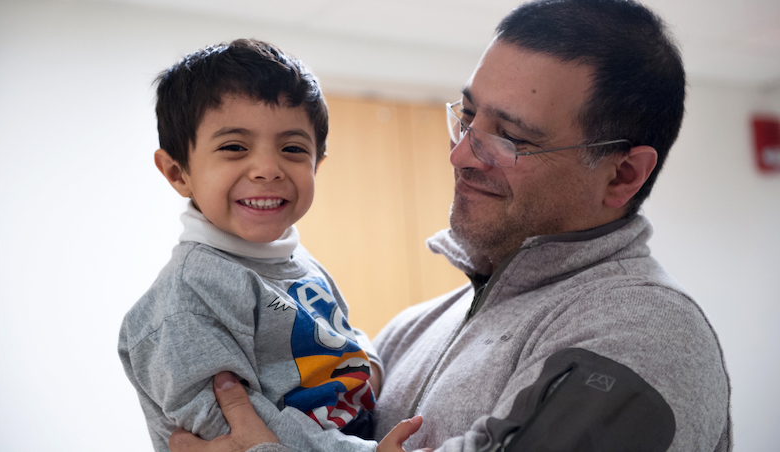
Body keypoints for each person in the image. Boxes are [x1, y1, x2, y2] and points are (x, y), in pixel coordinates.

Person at [169, 0, 732, 451]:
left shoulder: (640, 334)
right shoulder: (409, 331)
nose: (461, 154)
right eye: (466, 116)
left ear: (622, 174)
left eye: (509, 139)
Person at [118, 38, 387, 452]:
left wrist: (372, 367)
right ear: (177, 172)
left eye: (293, 149)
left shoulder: (298, 263)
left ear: (316, 164)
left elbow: (343, 340)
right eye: (234, 147)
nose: (267, 169)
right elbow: (240, 433)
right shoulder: (188, 298)